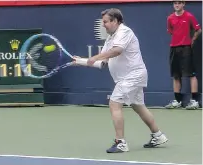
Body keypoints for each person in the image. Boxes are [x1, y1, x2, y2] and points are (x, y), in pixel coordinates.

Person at [86, 8, 168, 153]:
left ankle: (120, 143)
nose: (103, 24)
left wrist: (95, 57)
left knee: (114, 103)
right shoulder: (110, 38)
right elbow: (103, 62)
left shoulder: (124, 32)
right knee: (139, 106)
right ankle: (158, 135)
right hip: (129, 77)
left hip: (133, 75)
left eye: (105, 22)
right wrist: (79, 61)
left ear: (115, 21)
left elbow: (117, 51)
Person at [165, 0, 202, 110]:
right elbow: (171, 31)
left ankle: (195, 101)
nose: (177, 5)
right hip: (174, 48)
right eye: (175, 3)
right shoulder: (170, 18)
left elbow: (198, 30)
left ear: (183, 4)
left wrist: (192, 40)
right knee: (176, 75)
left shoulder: (189, 16)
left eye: (179, 3)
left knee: (191, 74)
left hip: (186, 48)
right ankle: (177, 101)